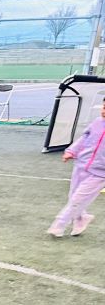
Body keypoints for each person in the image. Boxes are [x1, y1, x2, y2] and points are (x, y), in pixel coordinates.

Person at [48, 100, 105, 237]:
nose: (104, 111)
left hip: (99, 173)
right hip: (81, 165)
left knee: (77, 200)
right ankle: (81, 219)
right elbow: (84, 138)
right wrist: (71, 151)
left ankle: (58, 226)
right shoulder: (97, 122)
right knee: (73, 197)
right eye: (104, 107)